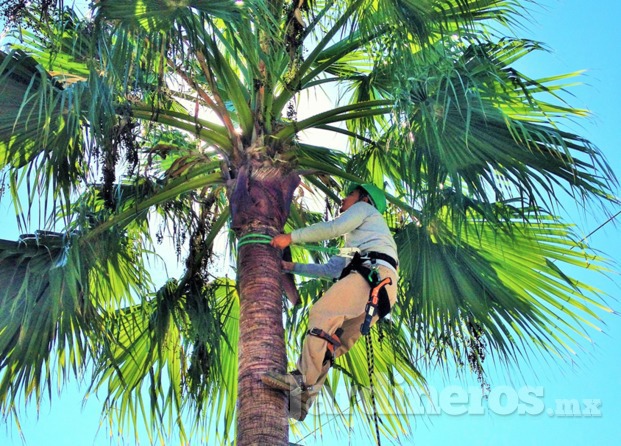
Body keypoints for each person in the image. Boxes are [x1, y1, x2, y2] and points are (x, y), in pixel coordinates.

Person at [262, 183, 399, 420]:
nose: (343, 199)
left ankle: (301, 379)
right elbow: (331, 269)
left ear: (364, 199)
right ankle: (304, 399)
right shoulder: (357, 243)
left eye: (350, 195)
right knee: (331, 344)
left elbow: (334, 227)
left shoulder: (365, 211)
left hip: (372, 276)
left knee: (322, 314)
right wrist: (291, 267)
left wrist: (290, 238)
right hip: (384, 292)